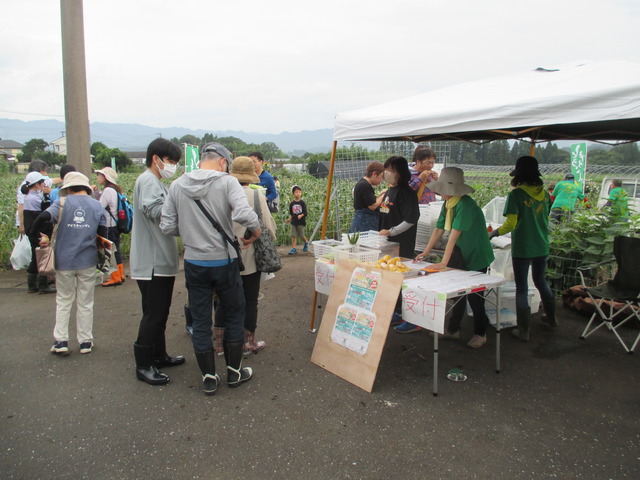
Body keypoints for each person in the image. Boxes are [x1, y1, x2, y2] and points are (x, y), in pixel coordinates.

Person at [160, 142, 262, 396]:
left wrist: (191, 233)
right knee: (234, 314)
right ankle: (235, 372)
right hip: (224, 263)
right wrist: (257, 231)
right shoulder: (227, 182)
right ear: (222, 162)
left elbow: (167, 226)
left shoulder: (177, 185)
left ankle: (208, 376)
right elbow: (243, 214)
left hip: (195, 263)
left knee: (201, 319)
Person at [414, 167, 495, 348]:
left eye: (442, 189)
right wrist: (426, 252)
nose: (440, 192)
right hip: (461, 254)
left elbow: (453, 235)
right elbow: (438, 229)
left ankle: (481, 333)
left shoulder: (466, 205)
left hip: (476, 254)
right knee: (458, 295)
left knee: (475, 296)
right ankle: (453, 330)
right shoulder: (448, 204)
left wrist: (443, 263)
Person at [31, 172, 107, 355]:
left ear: (68, 188)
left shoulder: (62, 203)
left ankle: (61, 341)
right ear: (86, 187)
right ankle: (85, 342)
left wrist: (37, 236)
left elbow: (42, 218)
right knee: (86, 301)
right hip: (87, 260)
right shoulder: (97, 206)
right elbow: (103, 234)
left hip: (64, 260)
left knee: (64, 300)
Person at [130, 138, 185, 386]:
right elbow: (156, 211)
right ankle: (143, 364)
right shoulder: (148, 181)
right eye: (171, 161)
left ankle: (159, 356)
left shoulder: (156, 182)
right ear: (156, 159)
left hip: (160, 261)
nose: (173, 166)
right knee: (153, 314)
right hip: (152, 262)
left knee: (160, 312)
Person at [213, 156, 277, 356]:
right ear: (251, 175)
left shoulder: (220, 193)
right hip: (249, 258)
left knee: (224, 300)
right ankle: (248, 343)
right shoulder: (256, 195)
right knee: (250, 300)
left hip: (225, 256)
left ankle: (219, 344)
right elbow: (268, 227)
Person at [489, 156, 556, 341]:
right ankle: (552, 319)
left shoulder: (517, 195)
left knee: (522, 288)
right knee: (541, 281)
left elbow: (511, 224)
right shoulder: (544, 194)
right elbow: (544, 218)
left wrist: (494, 233)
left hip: (524, 247)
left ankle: (524, 331)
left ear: (518, 174)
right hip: (542, 244)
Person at [378, 156, 420, 332]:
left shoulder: (407, 193)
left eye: (392, 170)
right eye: (386, 169)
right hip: (389, 243)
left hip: (402, 243)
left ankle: (413, 319)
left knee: (405, 280)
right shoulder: (390, 190)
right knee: (392, 278)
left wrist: (393, 231)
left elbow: (412, 218)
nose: (387, 173)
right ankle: (398, 311)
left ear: (401, 173)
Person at [21, 171, 56, 294]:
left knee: (36, 257)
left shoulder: (31, 197)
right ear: (36, 185)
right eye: (41, 182)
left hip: (34, 232)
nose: (44, 184)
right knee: (41, 257)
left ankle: (33, 285)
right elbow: (44, 212)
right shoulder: (34, 198)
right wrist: (47, 197)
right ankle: (42, 285)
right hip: (38, 232)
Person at [94, 167, 125, 287]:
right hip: (115, 225)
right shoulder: (115, 190)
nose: (98, 177)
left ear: (106, 177)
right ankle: (120, 274)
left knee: (110, 251)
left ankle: (115, 277)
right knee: (116, 249)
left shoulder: (107, 191)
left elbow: (99, 207)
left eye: (100, 175)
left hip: (108, 225)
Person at [349, 161, 386, 233]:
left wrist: (380, 195)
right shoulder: (364, 185)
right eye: (381, 177)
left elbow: (368, 200)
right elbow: (372, 205)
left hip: (362, 221)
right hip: (365, 223)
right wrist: (384, 195)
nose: (381, 180)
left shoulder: (362, 183)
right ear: (374, 174)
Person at [285, 185, 308, 255]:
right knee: (293, 236)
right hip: (293, 222)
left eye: (299, 192)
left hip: (301, 222)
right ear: (293, 194)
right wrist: (289, 219)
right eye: (296, 192)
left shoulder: (302, 203)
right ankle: (294, 249)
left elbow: (305, 212)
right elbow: (291, 213)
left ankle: (306, 242)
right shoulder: (292, 204)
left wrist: (301, 215)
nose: (298, 193)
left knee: (301, 235)